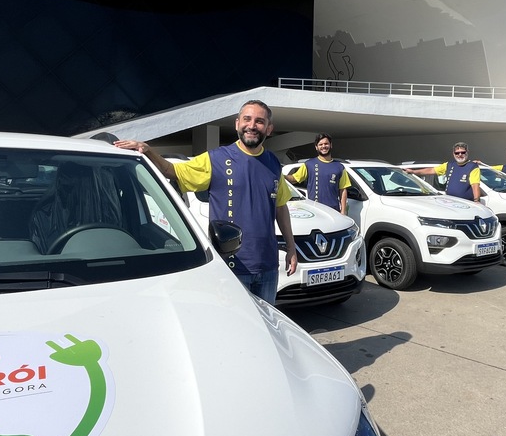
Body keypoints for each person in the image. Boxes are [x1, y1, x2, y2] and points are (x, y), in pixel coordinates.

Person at [115, 100, 297, 304]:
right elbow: (172, 171)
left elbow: (280, 207)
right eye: (247, 119)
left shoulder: (273, 163)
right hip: (231, 269)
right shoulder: (216, 159)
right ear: (237, 123)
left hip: (268, 267)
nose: (252, 126)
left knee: (266, 330)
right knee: (231, 328)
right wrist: (148, 150)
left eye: (260, 121)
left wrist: (291, 247)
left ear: (269, 129)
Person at [284, 133, 351, 214]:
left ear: (331, 145)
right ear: (316, 147)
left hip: (334, 211)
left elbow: (343, 190)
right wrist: (281, 176)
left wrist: (343, 211)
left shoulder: (339, 167)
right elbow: (294, 179)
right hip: (315, 211)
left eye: (326, 144)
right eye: (320, 144)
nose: (323, 146)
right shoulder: (309, 164)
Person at [405, 142, 482, 202]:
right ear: (453, 154)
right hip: (450, 201)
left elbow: (475, 186)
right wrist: (413, 172)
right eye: (457, 153)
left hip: (466, 203)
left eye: (463, 152)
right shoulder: (449, 164)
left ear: (467, 152)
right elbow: (432, 170)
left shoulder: (472, 166)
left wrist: (476, 201)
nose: (460, 155)